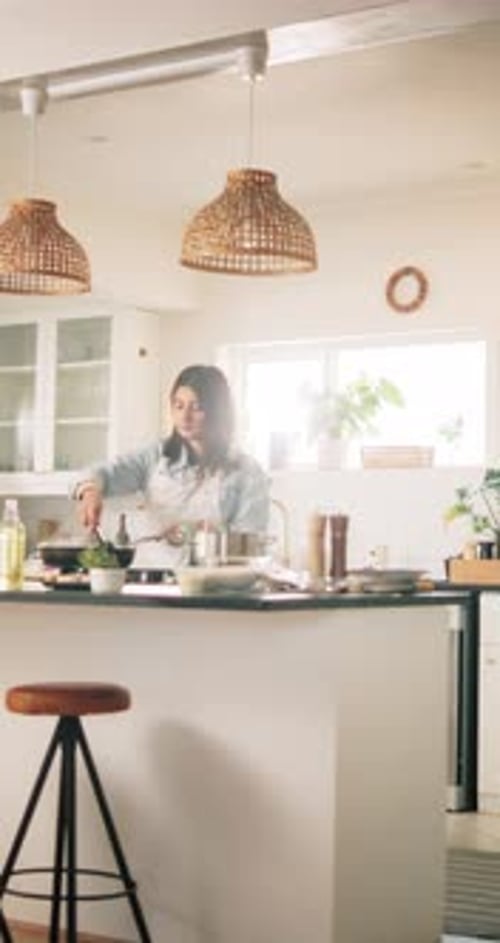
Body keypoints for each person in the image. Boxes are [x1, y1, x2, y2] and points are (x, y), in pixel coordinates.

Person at [74, 364, 270, 568]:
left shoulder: (247, 473)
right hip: (150, 585)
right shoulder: (154, 457)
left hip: (213, 589)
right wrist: (90, 491)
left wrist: (199, 534)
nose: (184, 417)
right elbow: (101, 473)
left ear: (218, 411)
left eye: (196, 407)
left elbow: (250, 548)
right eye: (178, 405)